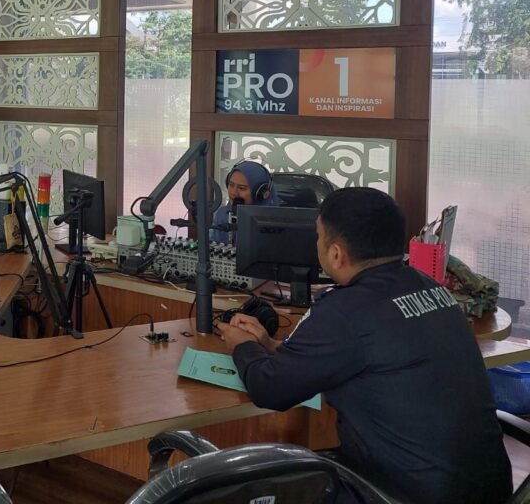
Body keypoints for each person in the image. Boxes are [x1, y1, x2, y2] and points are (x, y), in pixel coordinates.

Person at [215, 187, 512, 504]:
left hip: (399, 493)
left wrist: (243, 346)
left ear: (336, 254)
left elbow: (269, 389)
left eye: (318, 237)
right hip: (487, 490)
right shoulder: (429, 287)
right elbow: (368, 352)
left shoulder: (345, 310)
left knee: (244, 485)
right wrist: (270, 345)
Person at [210, 160, 280, 243]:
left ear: (260, 192)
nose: (233, 192)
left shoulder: (274, 222)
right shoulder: (222, 214)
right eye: (231, 185)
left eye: (242, 188)